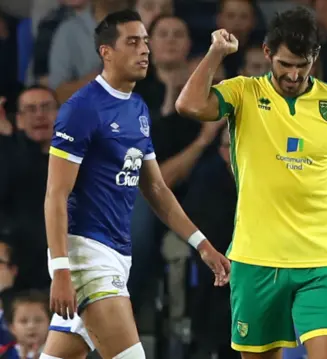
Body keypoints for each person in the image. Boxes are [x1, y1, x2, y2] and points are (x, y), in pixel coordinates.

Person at [175, 6, 327, 359]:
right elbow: (188, 104)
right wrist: (216, 52)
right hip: (256, 259)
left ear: (315, 57)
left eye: (302, 64)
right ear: (267, 54)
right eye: (285, 64)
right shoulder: (242, 92)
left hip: (323, 259)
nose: (293, 75)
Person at [40, 10, 230, 359]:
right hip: (87, 256)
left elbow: (156, 189)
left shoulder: (138, 109)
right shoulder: (82, 108)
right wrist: (61, 269)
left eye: (145, 41)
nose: (144, 49)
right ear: (106, 52)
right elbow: (55, 194)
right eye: (132, 42)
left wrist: (201, 243)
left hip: (118, 255)